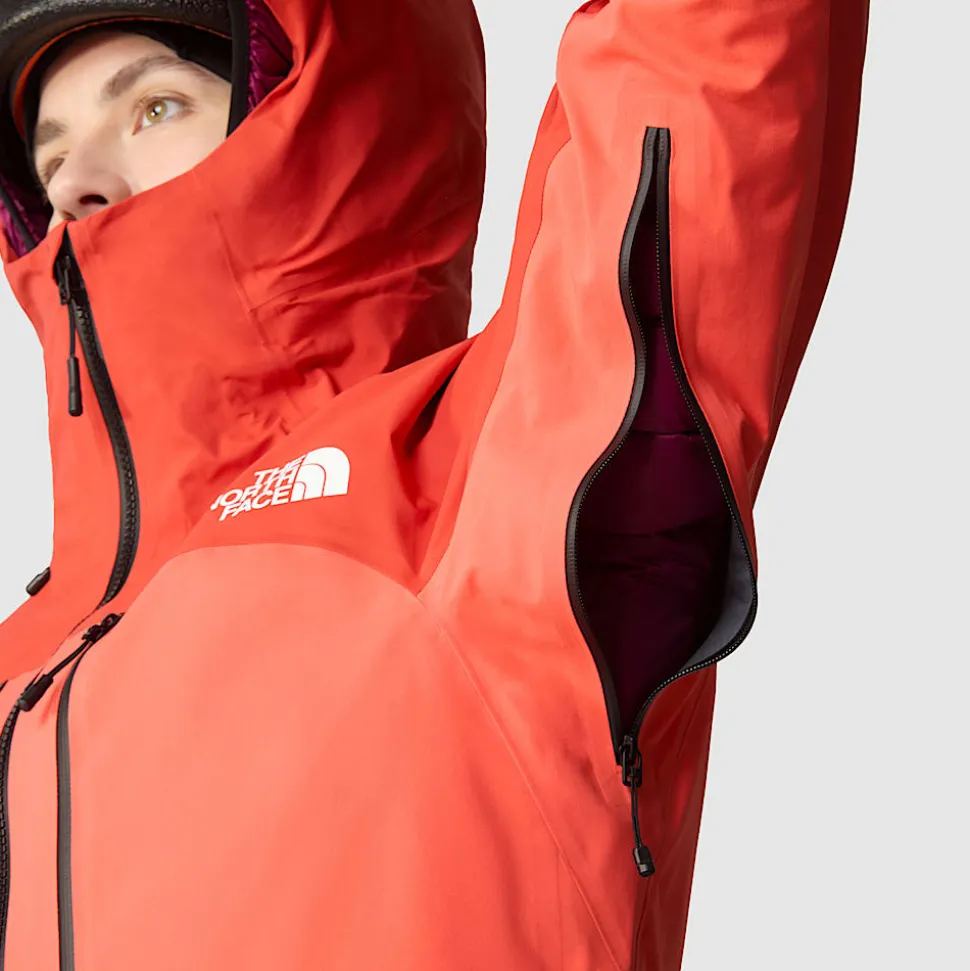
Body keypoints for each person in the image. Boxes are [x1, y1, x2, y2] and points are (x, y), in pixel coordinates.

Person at [0, 1, 869, 969]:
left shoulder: (480, 491)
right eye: (49, 154)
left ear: (327, 121)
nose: (74, 182)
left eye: (153, 107)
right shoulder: (16, 669)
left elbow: (700, 64)